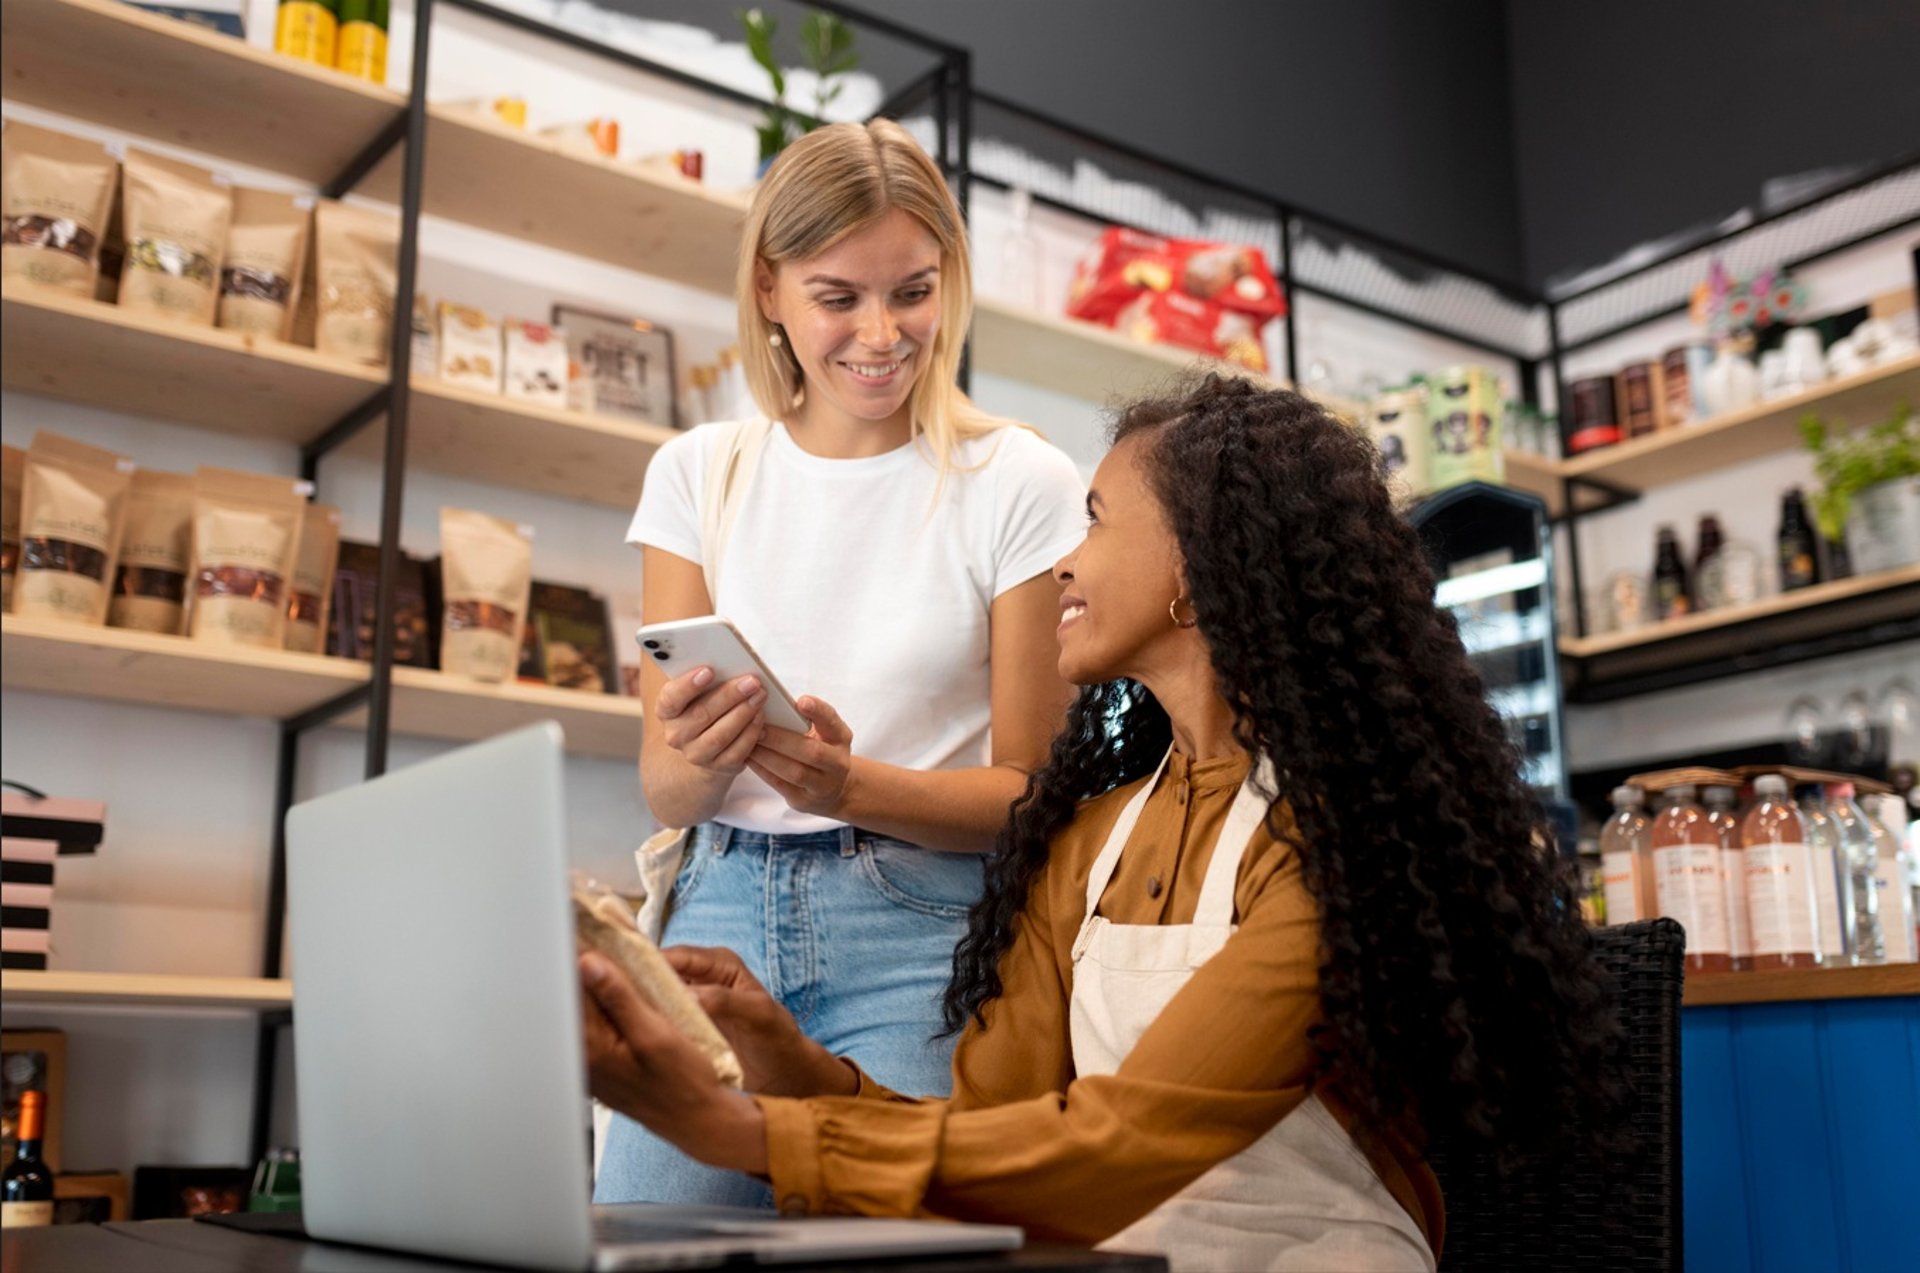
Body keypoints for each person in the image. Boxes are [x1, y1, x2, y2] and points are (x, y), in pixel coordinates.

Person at [582, 376, 1623, 1269]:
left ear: (1197, 566)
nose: (1063, 563)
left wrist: (740, 1129)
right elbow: (991, 1141)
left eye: (1094, 519)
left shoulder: (1330, 845)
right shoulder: (1090, 839)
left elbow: (1122, 1143)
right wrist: (786, 1062)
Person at [599, 118, 1086, 1208]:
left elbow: (1031, 796)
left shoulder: (1018, 481)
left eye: (912, 291)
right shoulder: (698, 474)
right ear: (769, 290)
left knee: (895, 1242)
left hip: (923, 928)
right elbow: (664, 787)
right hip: (717, 910)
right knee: (646, 1240)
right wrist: (709, 757)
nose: (882, 333)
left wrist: (849, 786)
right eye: (839, 297)